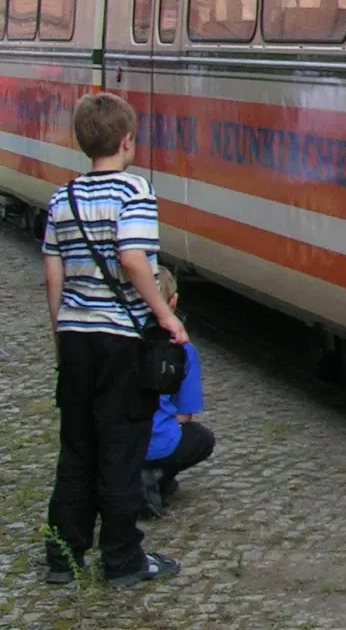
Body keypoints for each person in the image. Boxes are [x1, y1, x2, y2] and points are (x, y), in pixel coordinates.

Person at [41, 92, 186, 588]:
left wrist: (61, 329)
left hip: (76, 338)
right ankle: (123, 559)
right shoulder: (134, 192)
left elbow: (52, 272)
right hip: (121, 341)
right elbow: (132, 259)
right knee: (122, 448)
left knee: (77, 447)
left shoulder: (63, 198)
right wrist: (166, 315)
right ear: (127, 141)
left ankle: (63, 554)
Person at [141, 267, 214, 518]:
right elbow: (185, 415)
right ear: (173, 301)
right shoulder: (183, 350)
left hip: (118, 442)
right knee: (201, 438)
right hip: (159, 443)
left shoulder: (122, 340)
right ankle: (157, 475)